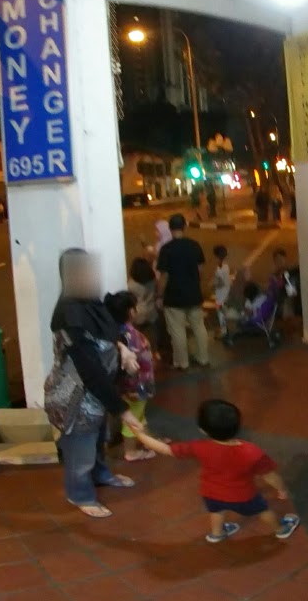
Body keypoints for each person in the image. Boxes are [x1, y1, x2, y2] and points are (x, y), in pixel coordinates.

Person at [128, 398, 300, 543]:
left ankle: (216, 534)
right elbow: (269, 475)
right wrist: (282, 489)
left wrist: (140, 435)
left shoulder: (198, 447)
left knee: (217, 511)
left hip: (210, 492)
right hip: (243, 495)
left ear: (203, 429)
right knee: (262, 510)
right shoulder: (251, 451)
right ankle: (280, 529)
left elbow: (165, 449)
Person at [47, 248, 138, 518]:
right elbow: (89, 368)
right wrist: (121, 409)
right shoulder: (69, 315)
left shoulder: (92, 304)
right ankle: (80, 494)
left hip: (96, 394)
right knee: (81, 448)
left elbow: (112, 331)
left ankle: (101, 475)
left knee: (98, 439)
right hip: (77, 396)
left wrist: (123, 349)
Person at [105, 290, 157, 463]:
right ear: (130, 311)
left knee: (140, 414)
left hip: (129, 386)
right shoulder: (129, 336)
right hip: (135, 386)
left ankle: (150, 442)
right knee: (132, 420)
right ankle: (131, 451)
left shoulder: (116, 333)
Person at [155, 213, 212, 370]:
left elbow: (164, 276)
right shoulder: (194, 246)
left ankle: (182, 362)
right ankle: (203, 358)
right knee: (199, 327)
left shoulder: (166, 250)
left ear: (170, 229)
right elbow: (201, 270)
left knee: (177, 331)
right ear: (184, 227)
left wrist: (159, 295)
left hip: (174, 297)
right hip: (193, 294)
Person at [210, 244, 236, 335]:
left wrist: (213, 284)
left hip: (220, 295)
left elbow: (220, 283)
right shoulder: (226, 266)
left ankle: (224, 331)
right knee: (224, 311)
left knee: (220, 313)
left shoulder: (219, 268)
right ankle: (225, 329)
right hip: (226, 292)